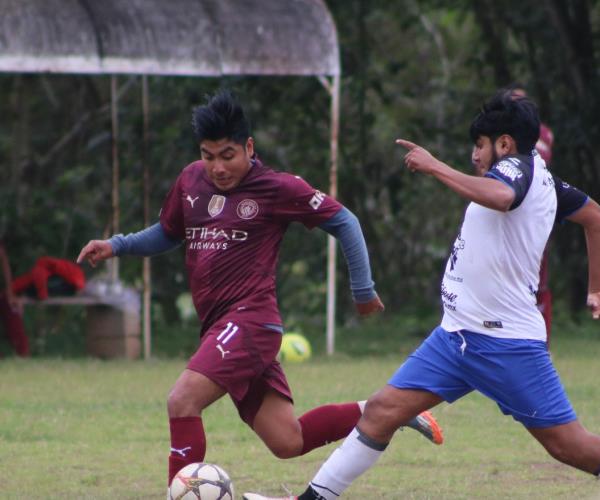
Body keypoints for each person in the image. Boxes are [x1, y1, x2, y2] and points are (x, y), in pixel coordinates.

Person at [243, 90, 600, 499]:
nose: (474, 155)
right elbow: (598, 219)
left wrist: (433, 165)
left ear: (504, 143)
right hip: (456, 337)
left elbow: (505, 197)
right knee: (382, 411)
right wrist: (597, 288)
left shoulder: (517, 169)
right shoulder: (543, 180)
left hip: (505, 345)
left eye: (479, 145)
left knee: (569, 444)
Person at [76, 90, 443, 491]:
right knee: (289, 441)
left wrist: (363, 289)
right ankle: (388, 412)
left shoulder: (277, 188)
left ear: (249, 147)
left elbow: (345, 221)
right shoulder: (190, 180)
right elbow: (167, 233)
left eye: (228, 155)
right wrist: (117, 245)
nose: (217, 167)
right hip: (220, 327)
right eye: (208, 154)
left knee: (182, 400)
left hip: (250, 323)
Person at [508, 83, 555, 343]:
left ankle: (539, 342)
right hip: (503, 214)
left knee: (537, 279)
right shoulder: (496, 135)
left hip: (532, 215)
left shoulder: (541, 134)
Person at [0, 241, 30, 357]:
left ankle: (23, 354)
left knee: (13, 310)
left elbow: (4, 261)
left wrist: (10, 293)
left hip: (5, 294)